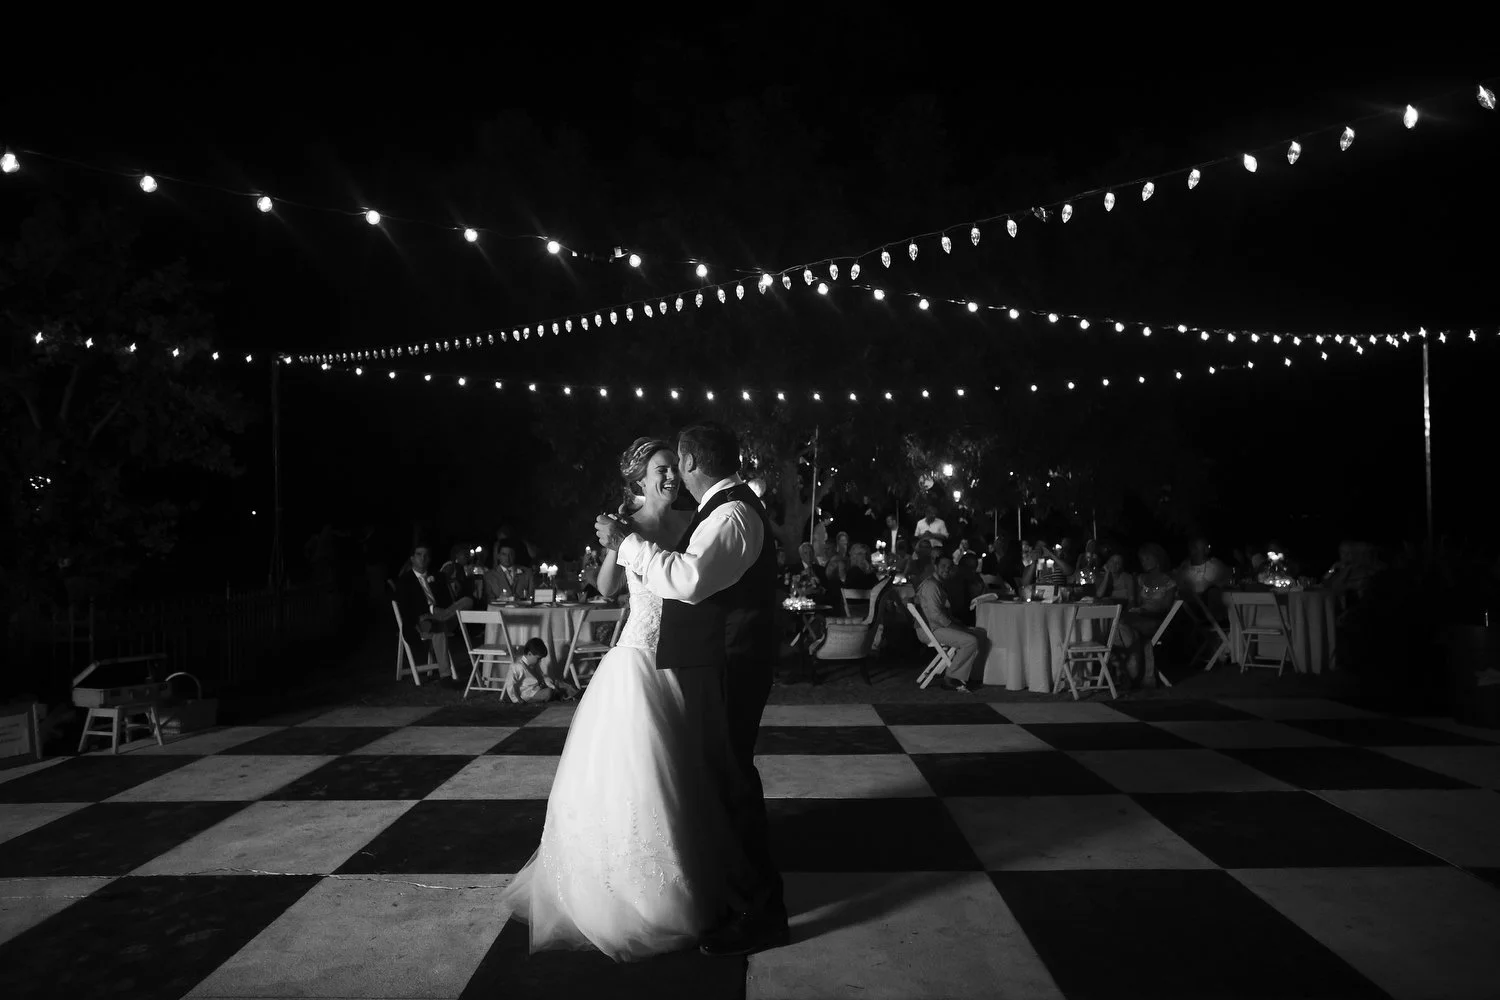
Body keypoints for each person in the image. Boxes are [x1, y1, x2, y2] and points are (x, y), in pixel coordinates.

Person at [498, 437, 741, 961]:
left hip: (683, 661)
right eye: (660, 469)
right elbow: (608, 589)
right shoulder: (626, 521)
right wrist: (615, 545)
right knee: (636, 772)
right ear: (638, 479)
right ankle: (633, 893)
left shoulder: (693, 520)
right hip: (635, 661)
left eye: (674, 468)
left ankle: (695, 877)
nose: (671, 477)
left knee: (684, 771)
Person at [595, 422, 787, 957]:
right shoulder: (720, 511)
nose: (673, 476)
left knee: (730, 787)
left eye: (674, 464)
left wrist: (629, 544)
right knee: (715, 784)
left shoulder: (730, 514)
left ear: (688, 461)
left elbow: (688, 580)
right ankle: (734, 896)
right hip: (702, 664)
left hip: (729, 665)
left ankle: (759, 912)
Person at [915, 554, 988, 691]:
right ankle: (951, 677)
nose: (946, 569)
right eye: (943, 566)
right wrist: (955, 626)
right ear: (935, 567)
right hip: (930, 630)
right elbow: (936, 616)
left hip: (937, 627)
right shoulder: (931, 586)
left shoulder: (939, 584)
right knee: (970, 641)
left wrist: (957, 624)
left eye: (949, 567)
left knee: (981, 634)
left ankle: (974, 674)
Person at [505, 638, 578, 703]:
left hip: (539, 688)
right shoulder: (517, 667)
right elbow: (511, 685)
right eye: (538, 658)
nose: (539, 661)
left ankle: (574, 694)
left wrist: (548, 681)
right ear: (529, 654)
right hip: (528, 694)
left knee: (557, 682)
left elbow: (541, 676)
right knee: (549, 692)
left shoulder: (535, 665)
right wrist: (518, 700)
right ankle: (561, 695)